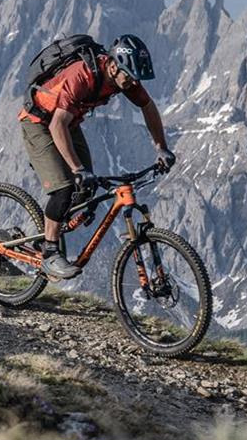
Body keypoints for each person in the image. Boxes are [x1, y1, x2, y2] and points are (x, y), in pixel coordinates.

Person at [18, 34, 174, 279]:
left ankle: (53, 230)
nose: (132, 82)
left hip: (68, 122)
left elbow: (148, 106)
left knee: (86, 189)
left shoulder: (122, 77)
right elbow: (56, 125)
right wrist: (77, 169)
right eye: (128, 76)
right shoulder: (82, 76)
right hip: (40, 122)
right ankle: (49, 252)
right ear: (113, 66)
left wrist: (161, 147)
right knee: (65, 188)